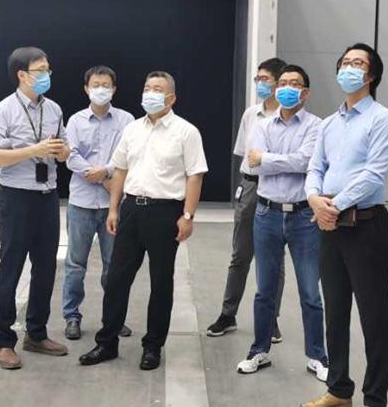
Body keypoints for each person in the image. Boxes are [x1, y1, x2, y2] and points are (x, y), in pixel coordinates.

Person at [79, 71, 208, 371]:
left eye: (158, 89)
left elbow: (195, 175)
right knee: (116, 279)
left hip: (166, 212)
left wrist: (188, 216)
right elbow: (120, 170)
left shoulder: (186, 131)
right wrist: (114, 209)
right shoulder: (133, 129)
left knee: (161, 282)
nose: (150, 93)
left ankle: (152, 346)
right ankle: (107, 342)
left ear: (171, 97)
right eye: (147, 87)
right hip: (131, 210)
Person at [301, 43, 388, 407]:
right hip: (330, 227)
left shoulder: (382, 119)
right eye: (345, 62)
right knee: (336, 311)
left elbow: (374, 174)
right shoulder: (329, 124)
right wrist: (314, 199)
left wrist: (334, 205)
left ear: (371, 75)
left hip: (365, 227)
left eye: (358, 63)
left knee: (374, 316)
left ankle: (375, 399)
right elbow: (315, 168)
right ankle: (339, 390)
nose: (349, 68)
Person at [236, 64, 329, 382]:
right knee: (264, 289)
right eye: (284, 83)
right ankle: (258, 351)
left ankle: (317, 355)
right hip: (267, 214)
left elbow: (307, 161)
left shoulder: (317, 126)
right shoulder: (261, 124)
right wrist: (272, 162)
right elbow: (253, 165)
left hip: (304, 216)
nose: (287, 88)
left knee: (310, 292)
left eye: (295, 83)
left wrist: (268, 159)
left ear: (305, 92)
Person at [0, 46, 70, 370]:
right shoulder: (2, 111)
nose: (47, 75)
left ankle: (36, 333)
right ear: (22, 75)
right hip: (16, 198)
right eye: (40, 70)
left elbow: (64, 149)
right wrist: (34, 149)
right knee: (11, 268)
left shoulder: (54, 109)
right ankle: (3, 341)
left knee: (46, 268)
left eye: (48, 69)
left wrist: (60, 152)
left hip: (47, 197)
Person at [207, 57, 287, 342]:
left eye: (265, 79)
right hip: (251, 186)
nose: (260, 84)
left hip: (277, 189)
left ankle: (271, 319)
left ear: (279, 83)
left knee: (274, 260)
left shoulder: (290, 118)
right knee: (240, 255)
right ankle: (228, 314)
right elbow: (243, 154)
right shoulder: (251, 114)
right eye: (258, 79)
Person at [62, 65, 134, 340]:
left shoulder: (126, 120)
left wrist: (105, 172)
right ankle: (72, 316)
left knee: (114, 265)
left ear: (114, 89)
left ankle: (113, 319)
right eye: (96, 85)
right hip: (81, 203)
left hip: (113, 204)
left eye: (106, 85)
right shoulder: (75, 120)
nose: (101, 89)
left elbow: (128, 156)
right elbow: (70, 155)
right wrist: (95, 174)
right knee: (75, 264)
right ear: (86, 89)